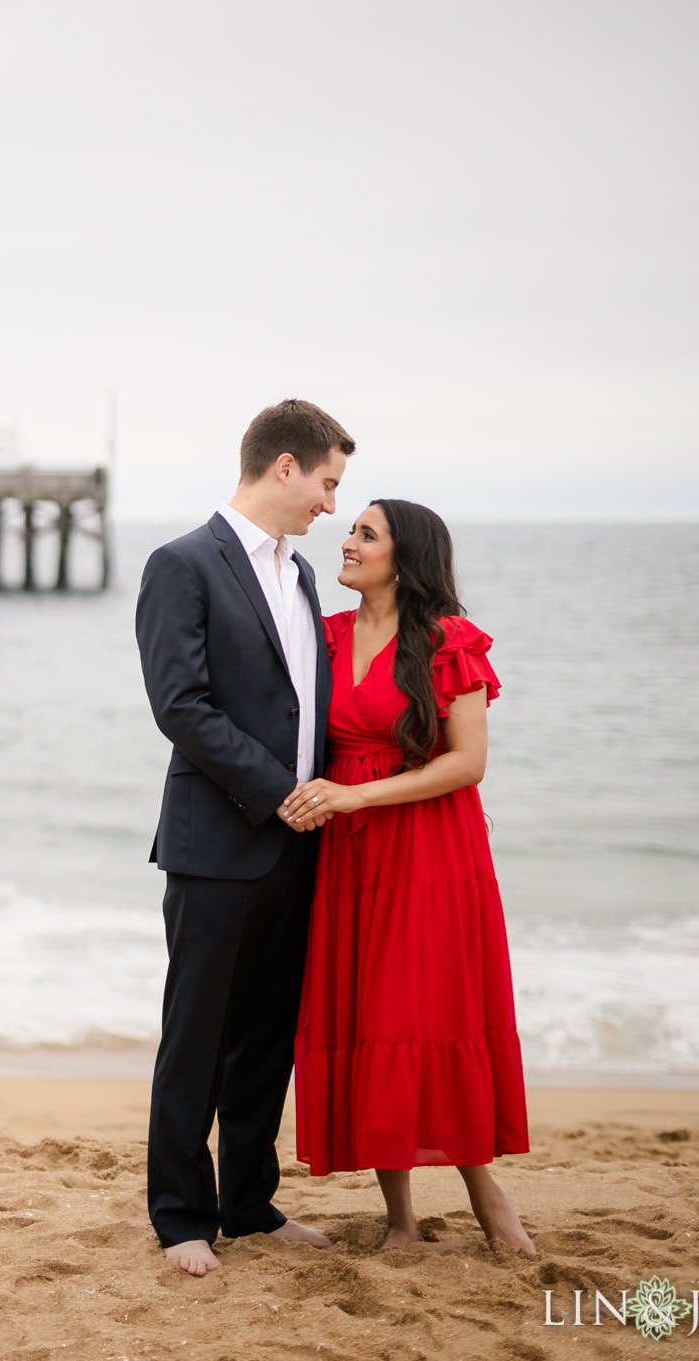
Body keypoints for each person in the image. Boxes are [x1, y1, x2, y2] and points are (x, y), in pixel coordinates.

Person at [280, 499, 536, 1254]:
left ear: (407, 555)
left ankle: (485, 1191)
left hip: (429, 850)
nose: (348, 541)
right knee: (371, 1019)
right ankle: (400, 1218)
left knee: (430, 1015)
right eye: (351, 528)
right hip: (350, 857)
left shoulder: (448, 639)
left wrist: (355, 794)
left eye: (366, 533)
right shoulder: (325, 636)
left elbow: (467, 762)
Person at [135, 399, 352, 1276]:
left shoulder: (299, 576)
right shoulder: (182, 563)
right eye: (328, 482)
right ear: (285, 466)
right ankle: (182, 1215)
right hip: (219, 841)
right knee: (196, 1032)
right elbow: (179, 705)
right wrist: (280, 792)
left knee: (267, 1034)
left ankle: (249, 1201)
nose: (332, 505)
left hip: (299, 844)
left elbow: (306, 706)